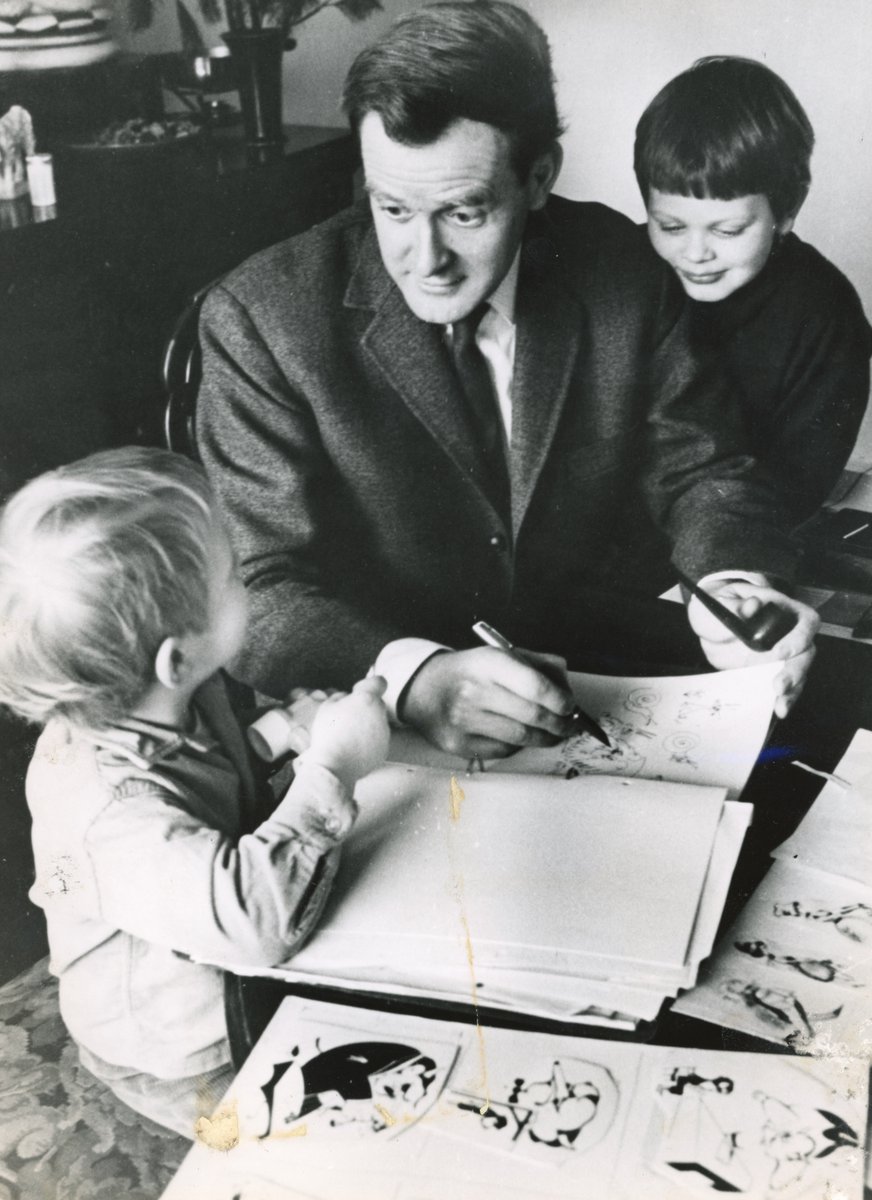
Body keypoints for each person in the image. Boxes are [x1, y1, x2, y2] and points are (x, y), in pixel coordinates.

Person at [197, 0, 817, 761]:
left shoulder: (622, 272)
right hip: (368, 723)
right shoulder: (262, 319)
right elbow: (255, 586)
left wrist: (738, 588)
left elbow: (704, 470)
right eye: (392, 207)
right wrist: (416, 680)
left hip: (593, 689)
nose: (423, 258)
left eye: (464, 212)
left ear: (538, 178)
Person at [0, 447, 390, 1138]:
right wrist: (333, 767)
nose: (248, 580)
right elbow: (254, 925)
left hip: (228, 953)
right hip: (180, 1047)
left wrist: (276, 732)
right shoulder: (112, 814)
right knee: (332, 1135)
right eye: (235, 577)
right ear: (176, 656)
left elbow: (202, 771)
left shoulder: (176, 695)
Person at [634, 55, 872, 526]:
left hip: (738, 539)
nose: (695, 253)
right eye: (671, 225)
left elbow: (799, 484)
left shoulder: (826, 315)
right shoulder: (626, 272)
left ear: (786, 211)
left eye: (727, 231)